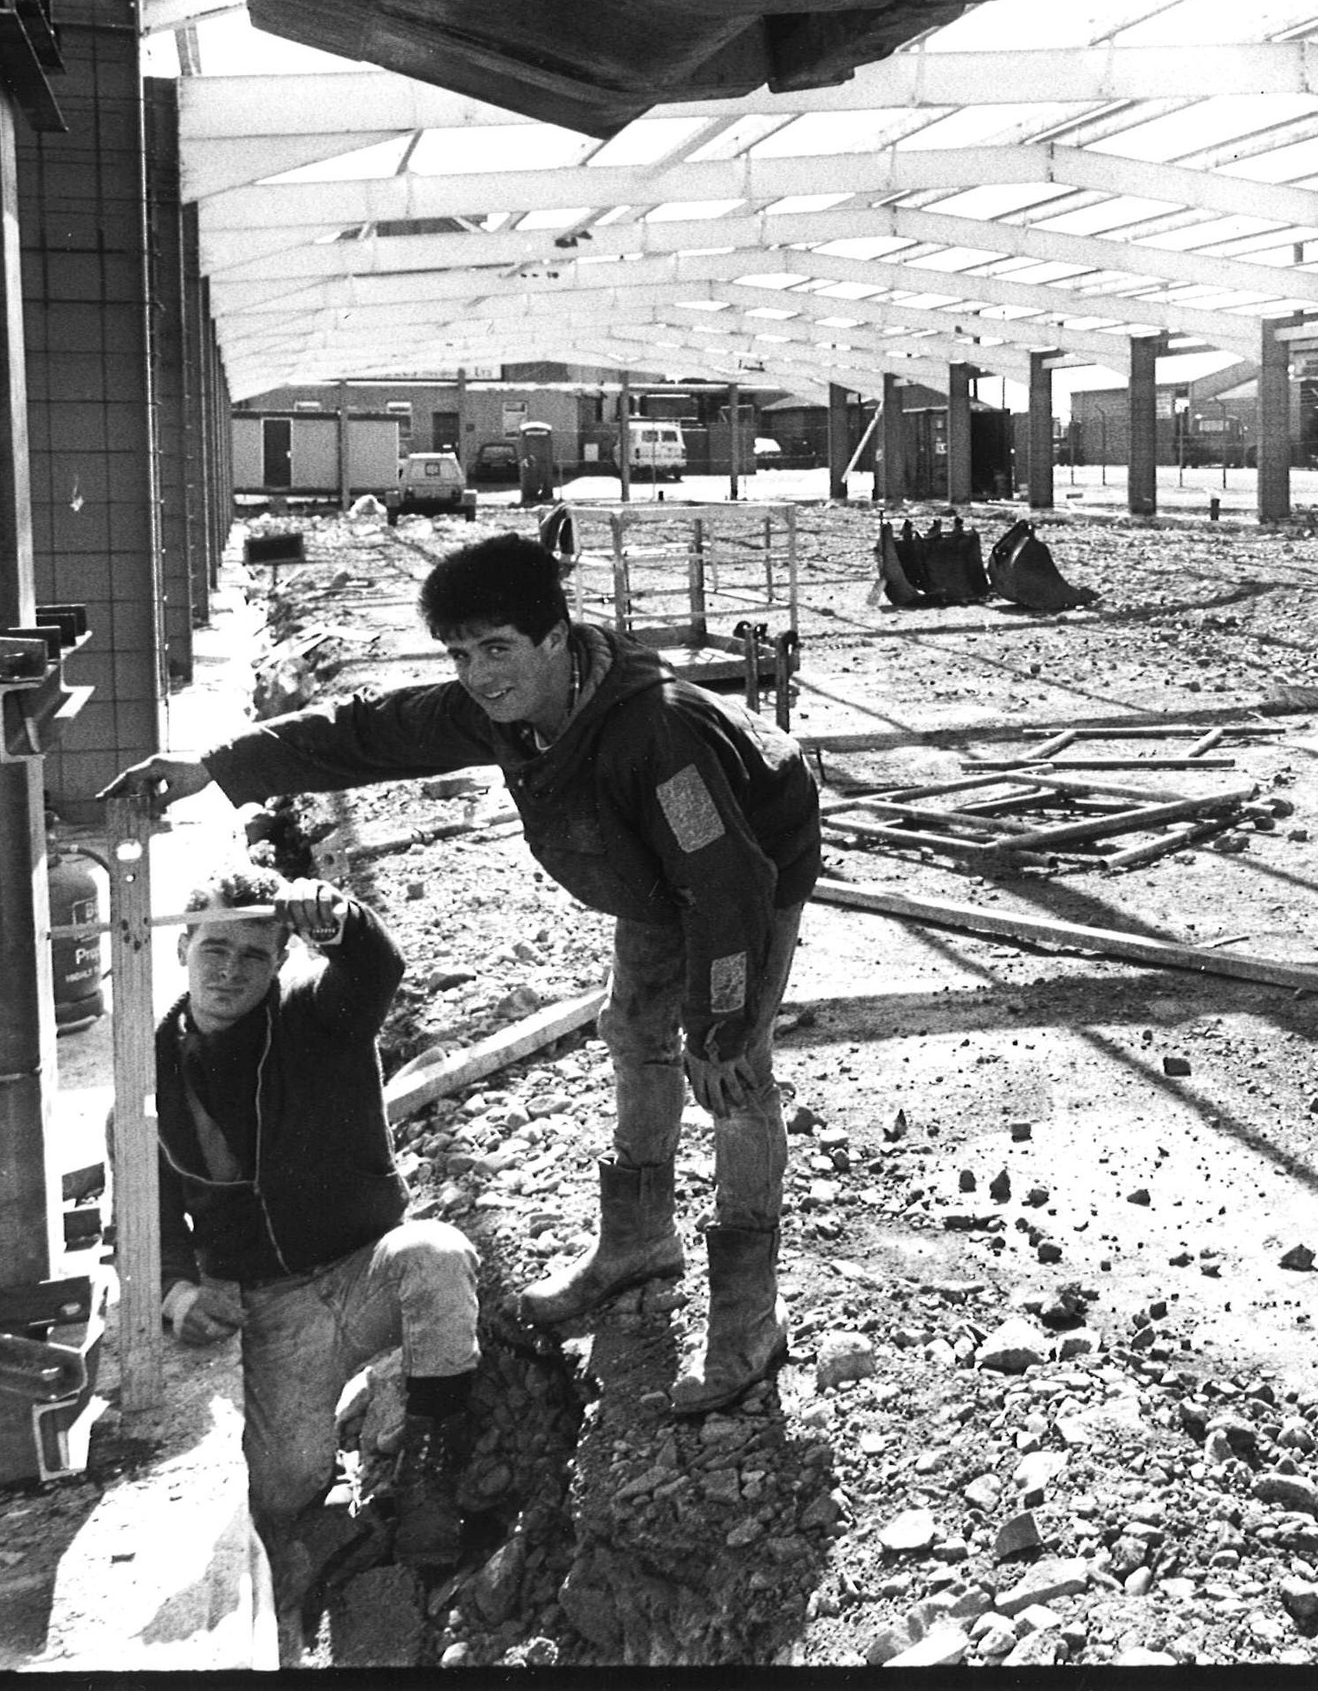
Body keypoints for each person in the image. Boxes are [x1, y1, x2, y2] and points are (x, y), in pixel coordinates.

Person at [106, 532, 819, 1415]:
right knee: (633, 1029)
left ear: (557, 637)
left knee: (734, 1078)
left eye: (498, 649)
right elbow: (369, 732)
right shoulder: (505, 706)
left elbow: (724, 884)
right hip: (654, 869)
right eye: (460, 653)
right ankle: (638, 1241)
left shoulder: (656, 735)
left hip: (747, 862)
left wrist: (719, 1026)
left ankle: (749, 1318)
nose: (478, 674)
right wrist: (217, 771)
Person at [154, 869, 480, 1581]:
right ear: (182, 947)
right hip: (275, 1307)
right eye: (215, 949)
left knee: (436, 1252)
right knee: (281, 1494)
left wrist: (339, 922)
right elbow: (149, 1231)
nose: (230, 971)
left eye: (254, 956)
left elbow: (377, 967)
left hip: (366, 1271)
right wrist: (180, 1297)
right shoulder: (150, 1077)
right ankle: (345, 1463)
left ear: (280, 962)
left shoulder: (318, 1015)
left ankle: (427, 1471)